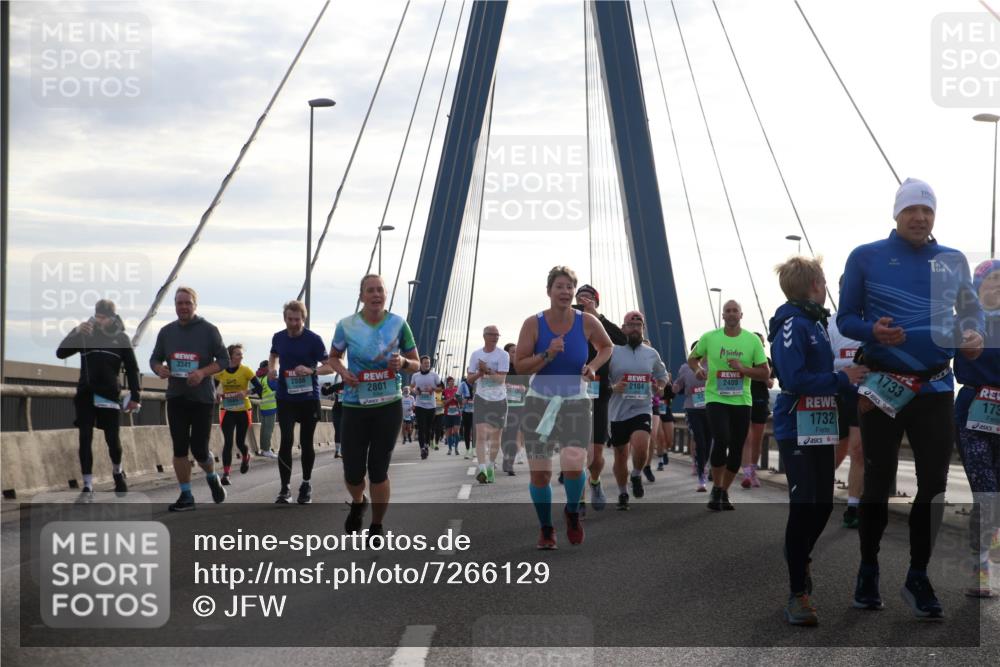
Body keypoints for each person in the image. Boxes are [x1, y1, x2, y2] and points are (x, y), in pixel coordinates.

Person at [838, 178, 984, 618]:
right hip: (884, 385)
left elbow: (970, 312)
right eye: (912, 211)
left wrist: (974, 334)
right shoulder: (866, 257)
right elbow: (846, 317)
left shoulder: (952, 260)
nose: (920, 218)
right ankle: (868, 569)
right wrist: (871, 331)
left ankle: (918, 576)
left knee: (935, 487)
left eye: (928, 211)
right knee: (877, 482)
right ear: (897, 215)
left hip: (936, 385)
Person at [768, 256, 869, 626]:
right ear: (813, 285)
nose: (826, 287)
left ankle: (800, 556)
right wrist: (844, 378)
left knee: (824, 506)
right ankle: (798, 594)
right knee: (804, 505)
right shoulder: (794, 324)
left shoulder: (817, 323)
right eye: (823, 281)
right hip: (796, 426)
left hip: (820, 424)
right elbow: (793, 379)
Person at [515, 266, 612, 549]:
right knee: (541, 474)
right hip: (539, 402)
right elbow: (520, 365)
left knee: (573, 464)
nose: (565, 292)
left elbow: (607, 347)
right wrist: (547, 354)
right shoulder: (532, 324)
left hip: (575, 402)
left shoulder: (587, 321)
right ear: (549, 291)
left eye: (570, 287)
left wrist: (593, 367)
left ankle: (571, 512)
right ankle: (546, 528)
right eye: (559, 286)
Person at [328, 274, 420, 534]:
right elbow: (333, 357)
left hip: (388, 406)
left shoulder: (398, 324)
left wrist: (402, 362)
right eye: (371, 290)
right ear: (361, 296)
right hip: (356, 406)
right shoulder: (346, 325)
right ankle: (359, 501)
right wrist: (344, 372)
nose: (376, 294)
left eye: (380, 290)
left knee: (378, 469)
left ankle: (377, 525)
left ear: (386, 295)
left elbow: (417, 363)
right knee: (353, 472)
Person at [150, 287, 229, 511]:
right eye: (179, 303)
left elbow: (223, 360)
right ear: (175, 306)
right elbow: (154, 359)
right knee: (180, 448)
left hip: (202, 399)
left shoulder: (209, 330)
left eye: (187, 303)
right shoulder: (166, 332)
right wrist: (159, 369)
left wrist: (203, 373)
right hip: (176, 397)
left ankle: (212, 476)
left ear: (195, 305)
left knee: (200, 450)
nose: (183, 307)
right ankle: (186, 495)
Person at [689, 300, 770, 511]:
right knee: (721, 438)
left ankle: (723, 490)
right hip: (716, 397)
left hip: (742, 400)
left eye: (735, 311)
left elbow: (765, 373)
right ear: (723, 315)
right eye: (728, 311)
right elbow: (692, 358)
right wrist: (697, 369)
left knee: (736, 447)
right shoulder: (710, 337)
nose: (732, 314)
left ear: (741, 315)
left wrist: (743, 369)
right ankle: (716, 487)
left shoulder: (752, 341)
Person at [56, 299, 141, 500]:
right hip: (86, 394)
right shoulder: (86, 333)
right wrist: (75, 332)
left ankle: (118, 472)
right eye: (97, 316)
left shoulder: (121, 338)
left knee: (113, 440)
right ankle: (87, 486)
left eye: (103, 317)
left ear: (112, 318)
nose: (98, 320)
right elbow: (60, 353)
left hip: (109, 395)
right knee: (85, 437)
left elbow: (132, 368)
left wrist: (135, 396)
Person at [954, 259, 1000, 597]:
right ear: (978, 285)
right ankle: (980, 564)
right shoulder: (965, 320)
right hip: (973, 412)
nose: (999, 284)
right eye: (993, 278)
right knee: (986, 491)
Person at [268, 299, 331, 505]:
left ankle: (306, 483)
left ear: (303, 319)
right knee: (286, 440)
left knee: (306, 442)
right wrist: (271, 368)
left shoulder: (313, 340)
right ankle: (285, 488)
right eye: (290, 319)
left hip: (308, 398)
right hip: (286, 398)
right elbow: (274, 353)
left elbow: (329, 367)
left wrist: (311, 370)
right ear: (284, 318)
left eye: (297, 320)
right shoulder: (278, 337)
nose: (293, 323)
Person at [572, 284, 627, 511]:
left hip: (599, 392)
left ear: (596, 301)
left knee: (595, 456)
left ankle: (595, 481)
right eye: (580, 298)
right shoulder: (569, 322)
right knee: (577, 452)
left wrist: (597, 317)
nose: (583, 301)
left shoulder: (600, 325)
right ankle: (578, 498)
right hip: (573, 392)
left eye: (588, 298)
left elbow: (621, 340)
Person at [607, 311, 669, 510]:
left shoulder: (651, 353)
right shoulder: (612, 351)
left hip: (642, 407)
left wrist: (659, 385)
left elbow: (662, 375)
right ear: (623, 328)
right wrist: (613, 387)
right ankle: (622, 492)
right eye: (630, 325)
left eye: (638, 324)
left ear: (643, 329)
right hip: (617, 411)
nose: (635, 328)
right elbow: (597, 379)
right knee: (620, 455)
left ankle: (636, 474)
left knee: (642, 444)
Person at [827, 284, 864, 528]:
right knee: (837, 451)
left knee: (858, 450)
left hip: (866, 393)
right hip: (837, 393)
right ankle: (818, 488)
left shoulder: (875, 321)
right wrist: (848, 365)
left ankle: (853, 507)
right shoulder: (829, 323)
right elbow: (823, 361)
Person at [467, 325, 510, 484]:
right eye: (492, 334)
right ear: (485, 336)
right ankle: (482, 468)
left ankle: (491, 465)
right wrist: (480, 372)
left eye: (497, 335)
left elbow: (501, 380)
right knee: (481, 434)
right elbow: (470, 380)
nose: (495, 337)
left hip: (499, 399)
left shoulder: (503, 355)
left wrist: (488, 370)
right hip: (481, 398)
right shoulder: (476, 355)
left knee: (495, 437)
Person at [213, 343, 262, 485]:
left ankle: (246, 456)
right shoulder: (221, 371)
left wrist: (246, 392)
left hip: (243, 410)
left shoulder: (246, 370)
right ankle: (226, 474)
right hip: (227, 410)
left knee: (240, 441)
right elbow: (212, 388)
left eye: (241, 354)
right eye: (238, 354)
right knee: (228, 442)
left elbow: (259, 388)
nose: (242, 356)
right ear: (230, 356)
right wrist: (216, 394)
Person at [674, 343, 711, 491]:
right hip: (692, 409)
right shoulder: (685, 368)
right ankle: (702, 475)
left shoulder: (714, 366)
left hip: (711, 409)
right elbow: (678, 384)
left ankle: (705, 464)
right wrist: (674, 387)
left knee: (709, 442)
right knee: (700, 441)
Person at [741, 333, 774, 489]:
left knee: (757, 441)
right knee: (746, 439)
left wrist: (759, 375)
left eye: (760, 343)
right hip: (743, 401)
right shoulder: (743, 359)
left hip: (760, 402)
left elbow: (770, 383)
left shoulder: (766, 361)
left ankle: (753, 471)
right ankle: (746, 474)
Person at [501, 342, 528, 476]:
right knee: (503, 434)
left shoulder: (522, 367)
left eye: (517, 351)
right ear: (506, 354)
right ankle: (505, 455)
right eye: (513, 351)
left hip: (518, 406)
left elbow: (528, 385)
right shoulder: (503, 368)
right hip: (502, 405)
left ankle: (509, 462)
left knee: (512, 434)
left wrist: (523, 388)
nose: (516, 354)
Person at [410, 356, 440, 459]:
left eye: (428, 363)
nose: (427, 365)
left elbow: (441, 388)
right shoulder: (415, 375)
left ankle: (426, 444)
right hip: (419, 405)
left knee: (428, 428)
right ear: (421, 364)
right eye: (425, 363)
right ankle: (422, 448)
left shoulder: (434, 375)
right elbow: (411, 387)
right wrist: (415, 391)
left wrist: (433, 388)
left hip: (431, 406)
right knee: (421, 428)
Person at [254, 360, 279, 458]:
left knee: (264, 429)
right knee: (268, 429)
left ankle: (263, 449)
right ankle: (267, 450)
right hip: (271, 407)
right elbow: (277, 388)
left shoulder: (261, 379)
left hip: (263, 406)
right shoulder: (269, 379)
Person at [655, 381, 676, 471]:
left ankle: (665, 451)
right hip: (654, 410)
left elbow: (672, 395)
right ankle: (660, 461)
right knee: (661, 437)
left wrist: (669, 384)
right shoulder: (650, 378)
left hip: (666, 410)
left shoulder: (665, 378)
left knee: (670, 440)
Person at [443, 377, 462, 454]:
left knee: (456, 431)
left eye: (453, 382)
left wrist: (457, 399)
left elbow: (461, 402)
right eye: (451, 382)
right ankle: (450, 449)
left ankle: (456, 448)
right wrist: (451, 398)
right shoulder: (445, 391)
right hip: (448, 414)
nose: (452, 383)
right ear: (448, 383)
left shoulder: (457, 390)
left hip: (456, 413)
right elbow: (444, 402)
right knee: (449, 432)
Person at [460, 375, 475, 458]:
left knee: (475, 431)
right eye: (470, 372)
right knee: (467, 431)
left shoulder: (478, 383)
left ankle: (474, 449)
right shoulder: (463, 384)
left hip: (476, 411)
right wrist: (462, 401)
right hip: (466, 411)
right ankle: (467, 449)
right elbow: (457, 395)